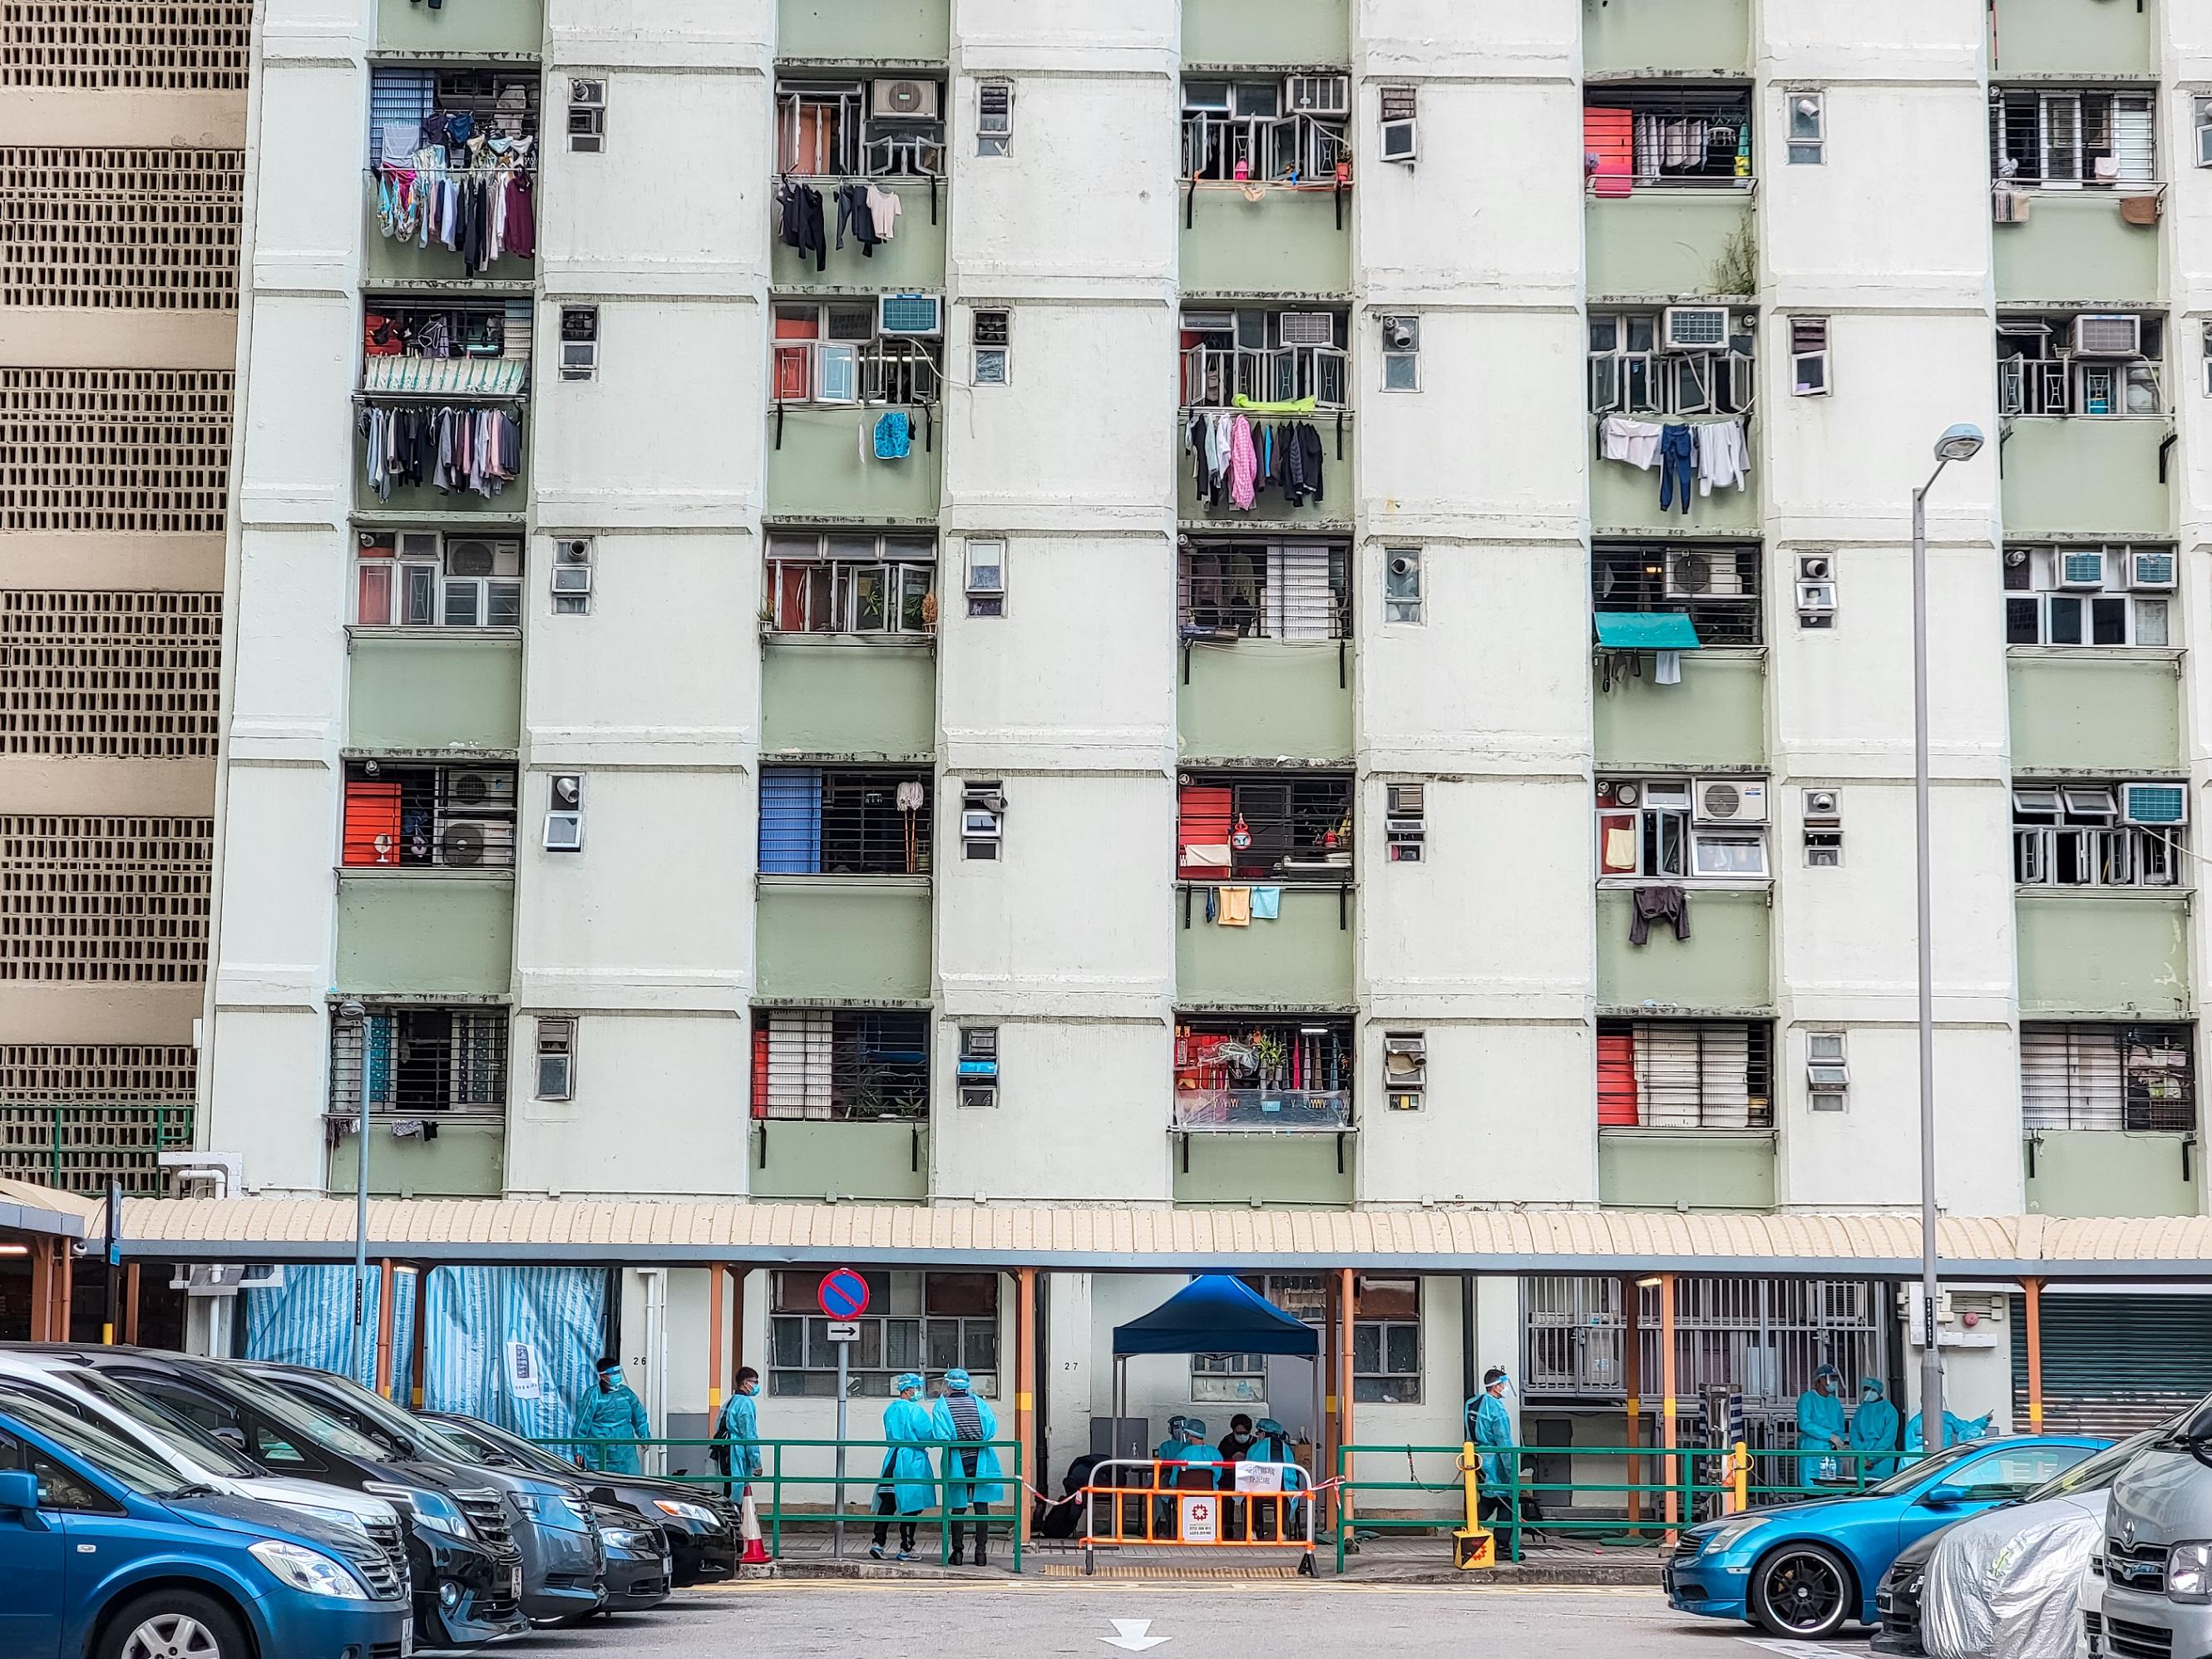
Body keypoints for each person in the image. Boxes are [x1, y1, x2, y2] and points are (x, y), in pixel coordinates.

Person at [930, 1368, 1005, 1567]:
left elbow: (941, 1435)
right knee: (981, 1506)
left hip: (958, 1461)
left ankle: (957, 1553)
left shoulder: (942, 1405)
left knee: (958, 1508)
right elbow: (990, 1429)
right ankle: (981, 1553)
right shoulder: (979, 1404)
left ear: (949, 1385)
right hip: (981, 1460)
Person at [871, 1373, 935, 1561]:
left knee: (888, 1501)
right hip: (911, 1461)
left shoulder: (891, 1410)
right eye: (917, 1388)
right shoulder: (915, 1411)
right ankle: (906, 1548)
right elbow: (928, 1435)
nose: (919, 1392)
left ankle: (878, 1543)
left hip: (893, 1458)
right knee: (911, 1505)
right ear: (908, 1390)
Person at [575, 1355, 650, 1475]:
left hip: (624, 1449)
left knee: (629, 1480)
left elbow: (639, 1416)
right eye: (612, 1373)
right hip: (599, 1449)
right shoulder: (593, 1394)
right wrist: (578, 1449)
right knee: (601, 1480)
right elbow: (582, 1423)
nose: (616, 1375)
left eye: (617, 1372)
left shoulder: (626, 1393)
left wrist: (644, 1437)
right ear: (602, 1376)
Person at [1242, 1415, 1306, 1541]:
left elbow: (1247, 1470)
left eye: (1258, 1433)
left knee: (1250, 1498)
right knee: (1282, 1499)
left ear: (1263, 1433)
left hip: (1257, 1491)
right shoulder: (1285, 1449)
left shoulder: (1254, 1448)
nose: (1257, 1435)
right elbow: (1291, 1473)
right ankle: (1282, 1532)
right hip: (1280, 1491)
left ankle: (1252, 1531)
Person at [1472, 1366, 1516, 1528]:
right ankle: (1503, 1541)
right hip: (1495, 1461)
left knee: (1486, 1499)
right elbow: (1504, 1443)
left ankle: (1467, 1528)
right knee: (1506, 1501)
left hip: (1477, 1458)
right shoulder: (1498, 1410)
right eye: (1503, 1385)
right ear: (1496, 1386)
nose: (1505, 1388)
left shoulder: (1473, 1404)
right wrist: (1512, 1472)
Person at [710, 1366, 763, 1500]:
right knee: (737, 1485)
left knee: (727, 1485)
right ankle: (735, 1511)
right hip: (735, 1449)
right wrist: (756, 1462)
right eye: (755, 1382)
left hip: (723, 1447)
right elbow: (749, 1434)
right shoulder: (745, 1404)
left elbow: (718, 1424)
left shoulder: (731, 1401)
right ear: (745, 1383)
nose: (756, 1386)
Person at [1795, 1365, 1848, 1486]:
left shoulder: (1835, 1403)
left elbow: (1840, 1426)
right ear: (1820, 1380)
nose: (1834, 1382)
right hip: (1812, 1448)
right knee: (1812, 1485)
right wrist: (1829, 1436)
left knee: (1831, 1486)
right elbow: (1805, 1424)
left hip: (1831, 1451)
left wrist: (1839, 1441)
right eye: (1831, 1378)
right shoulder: (1807, 1399)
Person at [1847, 1377, 1900, 1484]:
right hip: (1862, 1459)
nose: (1867, 1392)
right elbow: (1854, 1436)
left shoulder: (1889, 1410)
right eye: (1865, 1389)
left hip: (1883, 1458)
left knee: (1881, 1487)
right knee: (1862, 1488)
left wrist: (1871, 1458)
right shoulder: (1861, 1410)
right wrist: (1862, 1455)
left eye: (1871, 1389)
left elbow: (1888, 1438)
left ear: (1878, 1391)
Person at [1904, 1408, 1994, 1455]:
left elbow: (1965, 1428)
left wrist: (1983, 1420)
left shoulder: (1946, 1417)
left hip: (1946, 1457)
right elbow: (1910, 1447)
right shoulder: (1916, 1422)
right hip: (1926, 1460)